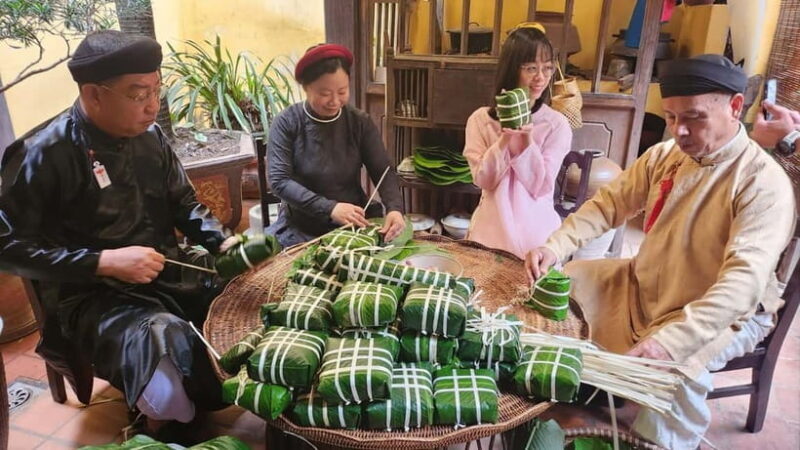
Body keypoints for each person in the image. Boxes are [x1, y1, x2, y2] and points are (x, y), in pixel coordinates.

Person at [524, 54, 795, 449]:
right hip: (644, 285)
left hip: (719, 314)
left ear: (736, 107)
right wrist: (555, 245)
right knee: (569, 281)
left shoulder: (762, 183)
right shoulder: (664, 156)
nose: (679, 130)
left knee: (670, 376)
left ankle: (656, 440)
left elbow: (743, 284)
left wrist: (671, 342)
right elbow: (608, 205)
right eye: (670, 117)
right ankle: (583, 384)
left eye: (694, 117)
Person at [0, 30, 239, 441]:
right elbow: (8, 247)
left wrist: (224, 242)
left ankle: (194, 397)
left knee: (241, 291)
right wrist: (103, 262)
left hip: (165, 267)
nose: (153, 105)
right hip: (91, 295)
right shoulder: (43, 152)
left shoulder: (151, 136)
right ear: (94, 94)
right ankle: (163, 421)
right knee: (163, 346)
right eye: (139, 94)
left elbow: (184, 203)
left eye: (157, 90)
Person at [267, 44, 405, 248]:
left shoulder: (359, 122)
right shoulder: (287, 123)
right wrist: (330, 208)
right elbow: (279, 181)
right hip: (302, 226)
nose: (334, 101)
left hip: (354, 224)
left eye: (342, 91)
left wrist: (394, 208)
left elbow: (382, 170)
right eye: (325, 93)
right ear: (305, 87)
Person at [462, 23, 571, 258]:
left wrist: (526, 139)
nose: (540, 77)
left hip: (536, 237)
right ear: (512, 69)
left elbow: (540, 186)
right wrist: (504, 139)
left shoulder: (556, 124)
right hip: (489, 234)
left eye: (547, 68)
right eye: (531, 68)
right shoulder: (480, 120)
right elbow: (484, 180)